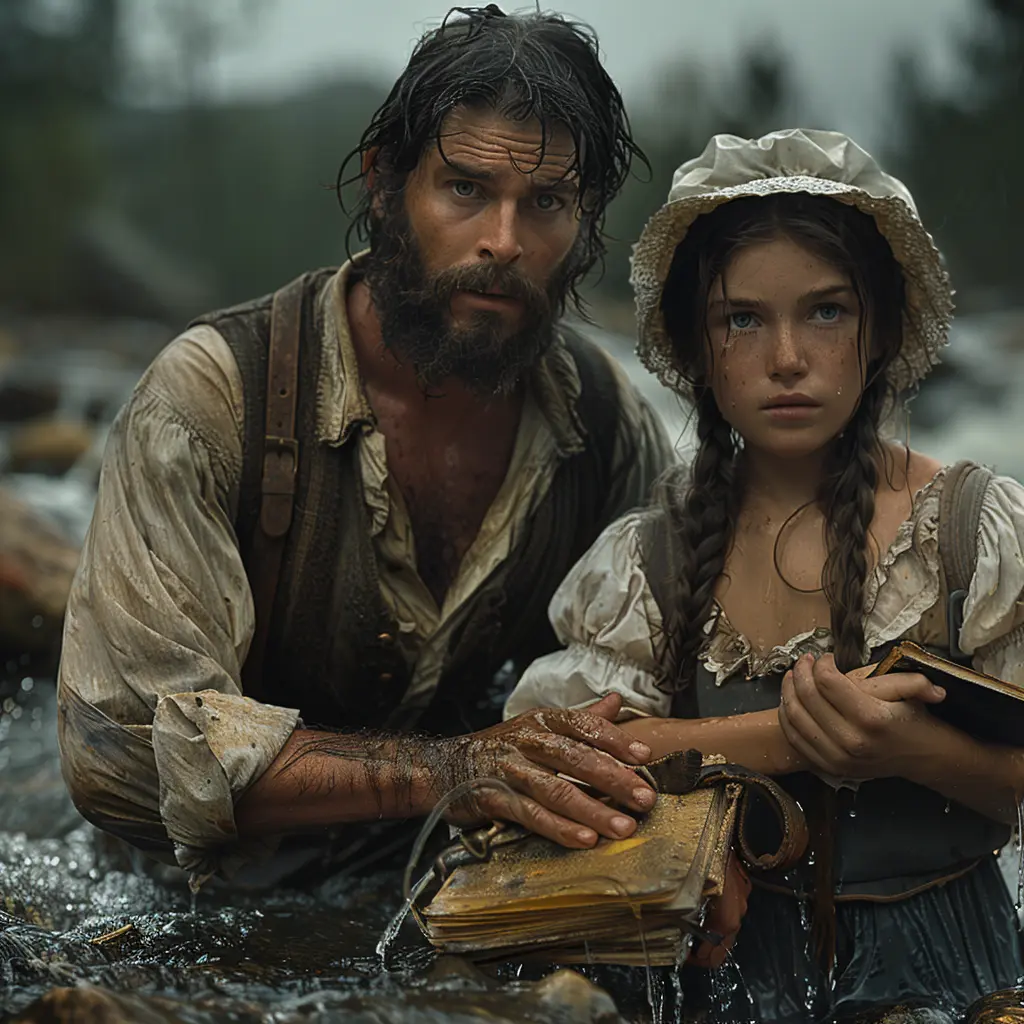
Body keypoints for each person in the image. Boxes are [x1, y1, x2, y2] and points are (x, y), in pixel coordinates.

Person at [55, 6, 674, 893]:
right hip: (200, 909)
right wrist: (449, 770)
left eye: (546, 202)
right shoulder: (211, 399)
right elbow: (118, 754)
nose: (505, 241)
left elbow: (671, 681)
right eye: (465, 189)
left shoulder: (604, 423)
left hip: (459, 887)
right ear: (386, 184)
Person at [506, 128, 1024, 1020]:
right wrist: (785, 739)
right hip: (730, 971)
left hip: (955, 967)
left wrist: (908, 751)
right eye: (742, 319)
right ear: (697, 347)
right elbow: (566, 756)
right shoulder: (652, 562)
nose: (787, 357)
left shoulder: (971, 534)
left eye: (826, 312)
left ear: (879, 330)